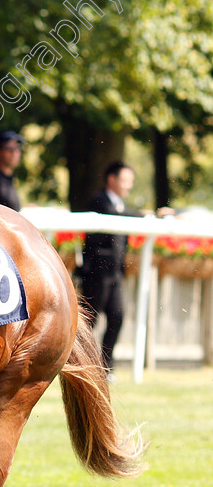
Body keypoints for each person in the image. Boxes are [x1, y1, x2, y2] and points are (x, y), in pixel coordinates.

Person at [81, 161, 142, 379]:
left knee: (117, 316)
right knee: (90, 321)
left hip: (115, 274)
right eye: (125, 181)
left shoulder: (120, 205)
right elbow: (119, 216)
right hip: (97, 274)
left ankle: (105, 366)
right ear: (111, 179)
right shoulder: (99, 200)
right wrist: (144, 216)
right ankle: (79, 363)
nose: (128, 186)